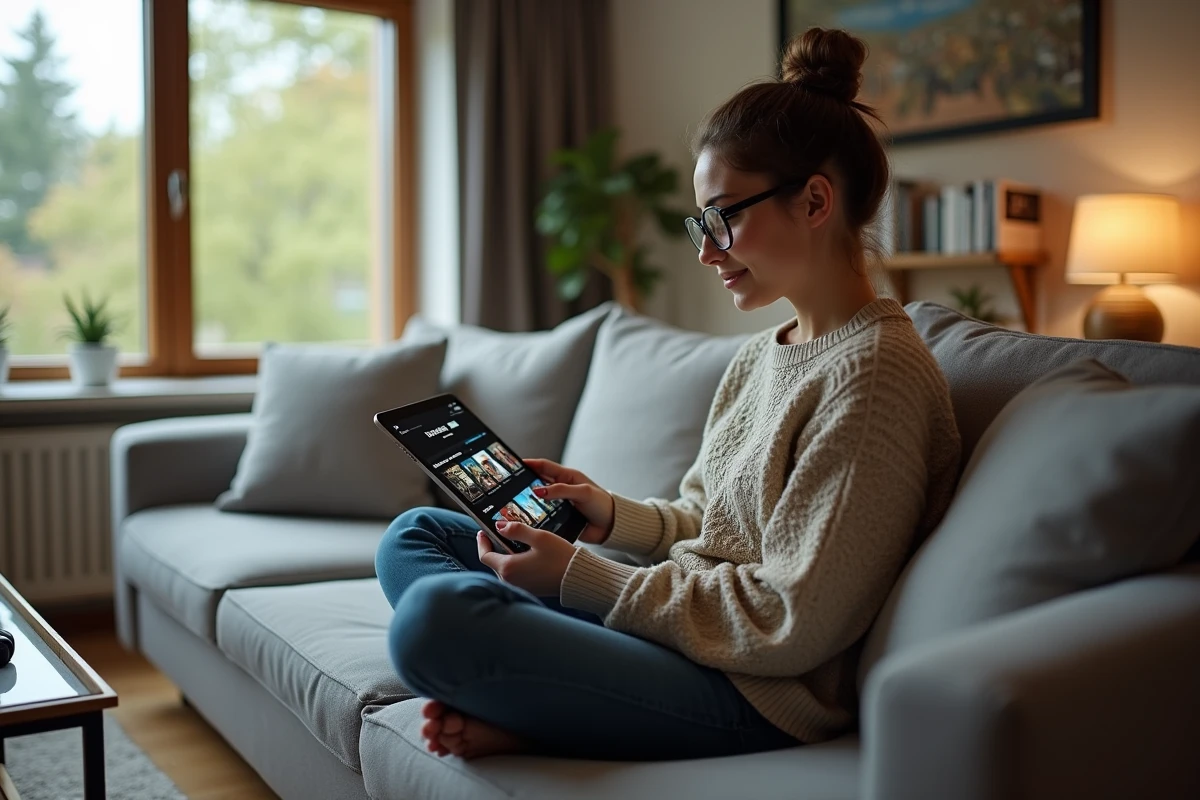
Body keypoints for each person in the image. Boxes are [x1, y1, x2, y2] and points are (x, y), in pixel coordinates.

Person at [374, 27, 962, 762]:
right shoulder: (762, 356)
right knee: (418, 536)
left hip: (753, 691)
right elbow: (711, 522)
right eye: (700, 223)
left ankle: (533, 706)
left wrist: (580, 579)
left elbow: (790, 620)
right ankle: (540, 698)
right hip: (682, 634)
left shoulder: (875, 377)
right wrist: (608, 515)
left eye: (724, 217)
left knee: (435, 621)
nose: (707, 250)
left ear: (815, 201)